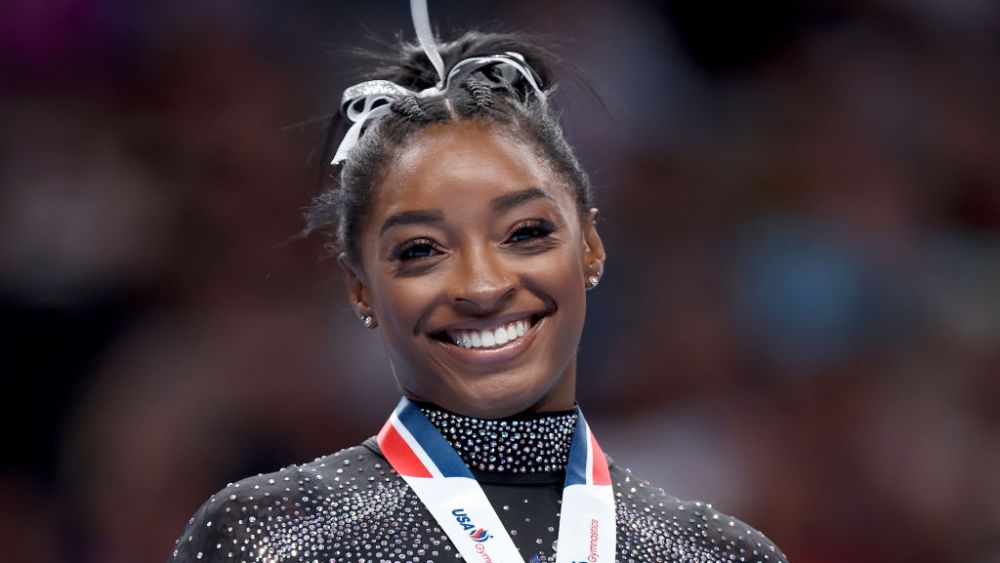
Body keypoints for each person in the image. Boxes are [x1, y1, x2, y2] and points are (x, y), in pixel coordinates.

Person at [167, 3, 789, 562]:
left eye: (524, 233)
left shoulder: (712, 553)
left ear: (590, 247)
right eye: (420, 249)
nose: (484, 286)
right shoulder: (274, 537)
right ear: (360, 288)